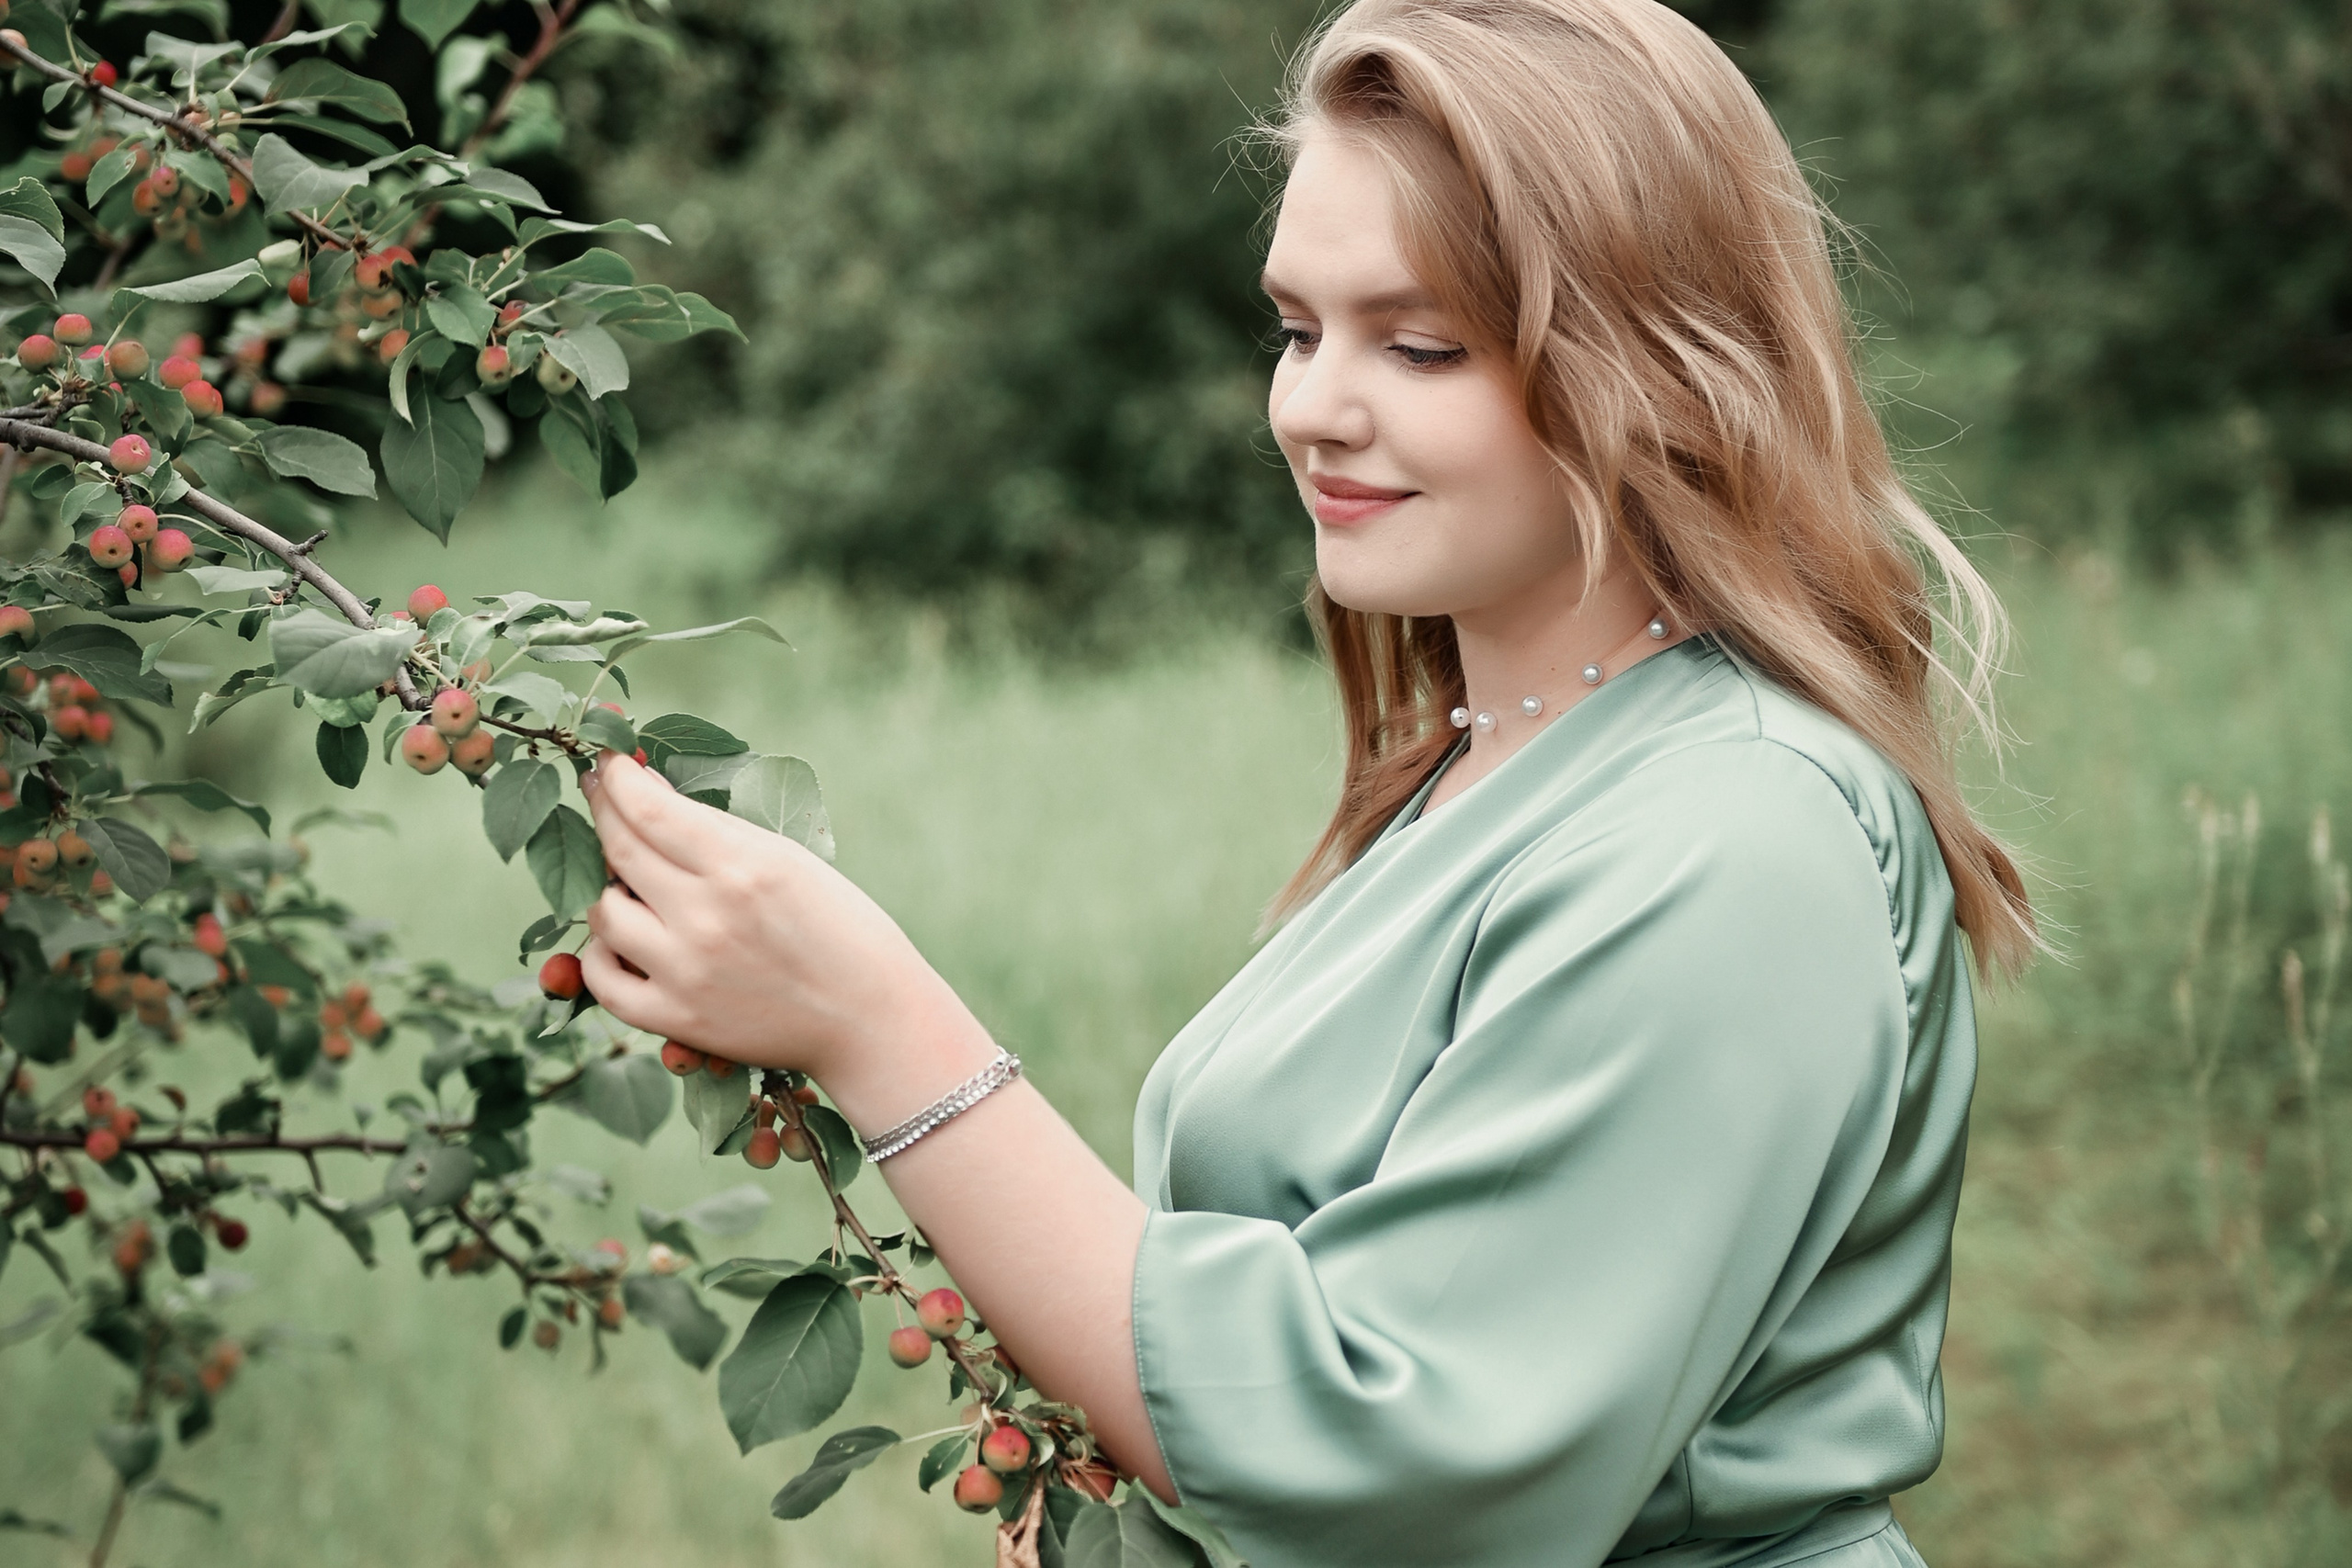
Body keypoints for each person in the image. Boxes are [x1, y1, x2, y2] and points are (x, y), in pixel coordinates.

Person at [573, 2, 2039, 1563]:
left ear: (1655, 366)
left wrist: (877, 1026)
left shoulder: (1733, 834)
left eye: (1420, 345)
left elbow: (1410, 1471)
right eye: (1295, 330)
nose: (1312, 410)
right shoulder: (1510, 756)